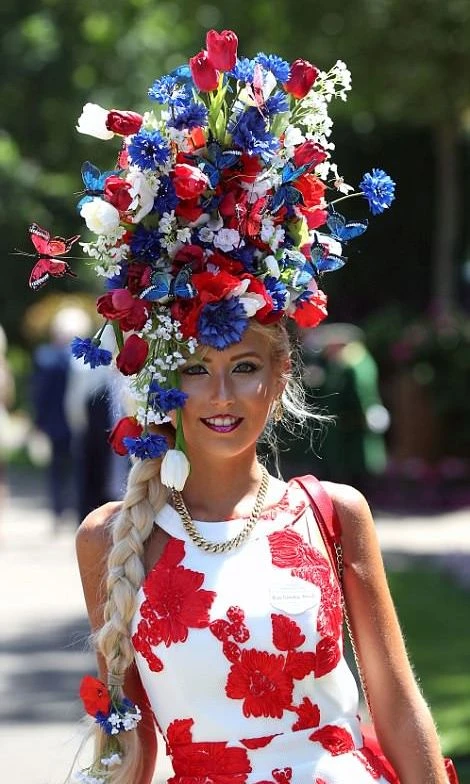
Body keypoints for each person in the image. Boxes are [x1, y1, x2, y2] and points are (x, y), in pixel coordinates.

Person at [37, 29, 452, 784]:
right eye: (195, 369)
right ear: (165, 379)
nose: (221, 395)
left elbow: (395, 705)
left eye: (245, 367)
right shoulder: (111, 543)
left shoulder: (334, 516)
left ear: (281, 373)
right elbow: (130, 747)